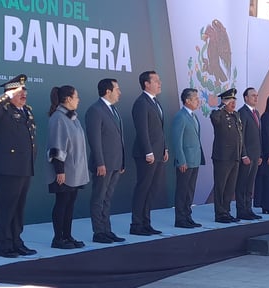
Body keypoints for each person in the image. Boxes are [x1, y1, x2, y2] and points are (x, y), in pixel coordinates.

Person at [0, 74, 37, 258]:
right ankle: (5, 246)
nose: (24, 94)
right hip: (7, 169)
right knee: (7, 208)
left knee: (18, 209)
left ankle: (17, 241)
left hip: (23, 167)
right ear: (9, 93)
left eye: (25, 91)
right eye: (19, 91)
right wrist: (7, 96)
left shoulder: (27, 111)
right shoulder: (2, 111)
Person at [46, 85, 89, 249]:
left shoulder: (72, 118)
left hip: (74, 171)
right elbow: (56, 145)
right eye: (76, 96)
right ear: (68, 99)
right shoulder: (58, 118)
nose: (78, 100)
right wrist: (59, 170)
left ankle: (67, 235)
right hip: (64, 171)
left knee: (70, 202)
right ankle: (58, 238)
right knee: (62, 202)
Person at [85, 78, 126, 244]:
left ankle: (107, 230)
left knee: (107, 198)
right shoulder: (95, 110)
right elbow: (94, 139)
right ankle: (98, 232)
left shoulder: (113, 110)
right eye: (117, 89)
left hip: (116, 162)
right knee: (99, 198)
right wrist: (100, 162)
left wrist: (122, 161)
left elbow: (118, 137)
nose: (119, 92)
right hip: (103, 164)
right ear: (107, 91)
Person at [130, 71, 168, 236]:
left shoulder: (155, 102)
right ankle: (137, 225)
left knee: (152, 189)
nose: (160, 83)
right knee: (143, 188)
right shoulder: (141, 103)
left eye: (160, 80)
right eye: (156, 80)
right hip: (147, 154)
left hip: (158, 153)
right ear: (146, 83)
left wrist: (164, 148)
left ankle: (146, 222)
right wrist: (148, 151)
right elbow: (142, 130)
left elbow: (159, 129)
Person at [171, 88, 206, 228]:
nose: (198, 101)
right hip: (185, 161)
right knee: (182, 190)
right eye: (195, 99)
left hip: (195, 159)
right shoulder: (181, 116)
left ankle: (188, 216)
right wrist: (181, 160)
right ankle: (180, 219)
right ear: (187, 100)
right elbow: (176, 140)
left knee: (190, 190)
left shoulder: (193, 116)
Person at [210, 88, 243, 223]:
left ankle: (227, 211)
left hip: (235, 156)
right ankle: (220, 213)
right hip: (222, 157)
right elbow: (215, 120)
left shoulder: (236, 115)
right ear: (224, 102)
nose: (233, 103)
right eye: (230, 100)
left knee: (230, 187)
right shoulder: (218, 114)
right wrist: (222, 106)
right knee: (221, 186)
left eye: (234, 100)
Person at [235, 88, 262, 220]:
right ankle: (241, 210)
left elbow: (258, 136)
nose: (256, 98)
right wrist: (244, 154)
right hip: (246, 156)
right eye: (253, 96)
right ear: (245, 98)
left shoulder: (256, 112)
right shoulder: (242, 113)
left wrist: (260, 154)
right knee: (242, 183)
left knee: (250, 184)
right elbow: (241, 136)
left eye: (257, 96)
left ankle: (248, 208)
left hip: (255, 155)